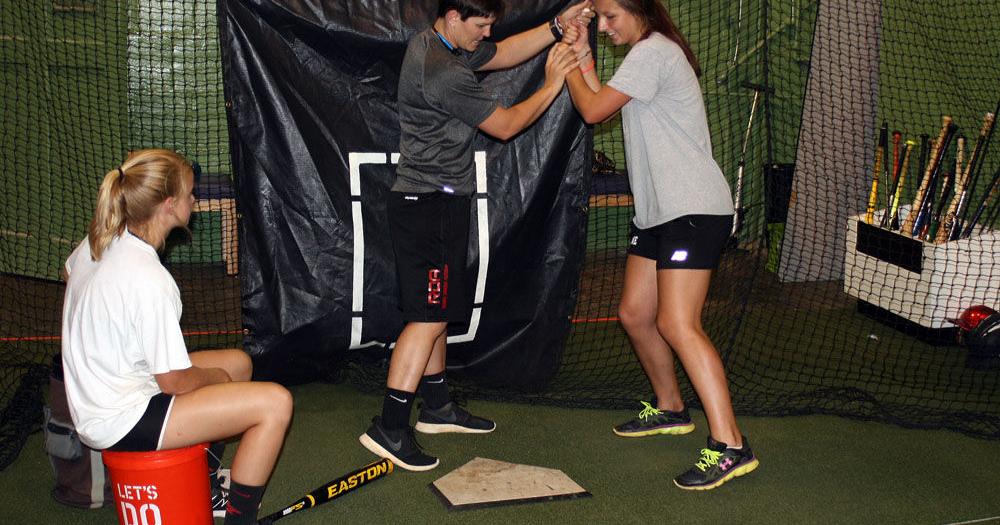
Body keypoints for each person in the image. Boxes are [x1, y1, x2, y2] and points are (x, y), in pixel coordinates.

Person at [359, 0, 593, 471]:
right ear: (452, 16)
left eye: (489, 24)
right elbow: (504, 126)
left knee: (439, 308)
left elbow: (502, 53)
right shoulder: (442, 69)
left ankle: (438, 406)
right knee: (426, 317)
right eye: (479, 24)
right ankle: (389, 426)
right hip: (428, 208)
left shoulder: (440, 43)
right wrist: (551, 83)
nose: (486, 34)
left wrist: (555, 26)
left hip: (439, 203)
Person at [555, 0, 759, 490]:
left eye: (610, 18)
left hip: (692, 210)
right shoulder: (643, 54)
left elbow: (591, 107)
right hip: (657, 214)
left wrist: (567, 62)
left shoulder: (654, 51)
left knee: (677, 322)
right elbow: (604, 94)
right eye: (598, 20)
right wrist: (582, 50)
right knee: (635, 313)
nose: (604, 28)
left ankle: (731, 444)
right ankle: (670, 407)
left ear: (638, 10)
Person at [60, 149, 293, 523]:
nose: (195, 200)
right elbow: (174, 382)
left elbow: (70, 273)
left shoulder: (101, 238)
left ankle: (207, 487)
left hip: (108, 389)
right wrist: (214, 381)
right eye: (189, 194)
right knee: (275, 404)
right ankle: (241, 517)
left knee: (239, 362)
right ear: (169, 206)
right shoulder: (151, 279)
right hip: (118, 418)